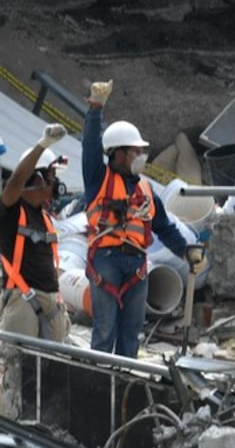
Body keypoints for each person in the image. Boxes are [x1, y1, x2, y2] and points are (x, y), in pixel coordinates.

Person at [83, 81, 200, 357]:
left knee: (131, 332)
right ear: (117, 153)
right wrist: (96, 111)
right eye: (134, 151)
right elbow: (89, 147)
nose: (140, 156)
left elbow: (165, 228)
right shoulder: (98, 179)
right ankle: (99, 384)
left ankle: (125, 384)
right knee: (104, 329)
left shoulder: (146, 191)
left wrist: (186, 252)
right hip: (105, 261)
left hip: (137, 265)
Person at [1, 124, 70, 342]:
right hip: (22, 300)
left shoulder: (45, 217)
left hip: (51, 300)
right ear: (38, 179)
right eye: (52, 175)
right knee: (19, 368)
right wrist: (42, 146)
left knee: (53, 370)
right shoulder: (11, 210)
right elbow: (16, 182)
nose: (56, 182)